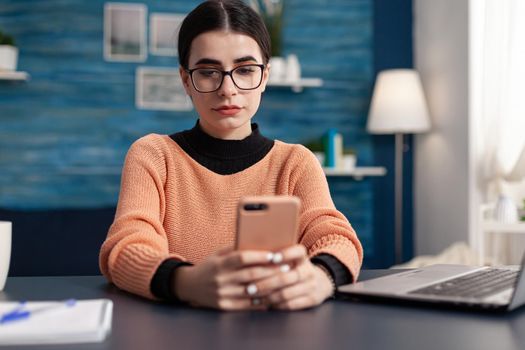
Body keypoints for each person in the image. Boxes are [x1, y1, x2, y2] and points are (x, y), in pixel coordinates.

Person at [99, 0, 363, 311]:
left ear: (265, 76)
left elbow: (337, 238)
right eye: (209, 72)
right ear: (186, 80)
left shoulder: (296, 163)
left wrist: (320, 279)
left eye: (245, 70)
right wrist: (188, 283)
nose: (227, 89)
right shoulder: (153, 155)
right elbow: (127, 246)